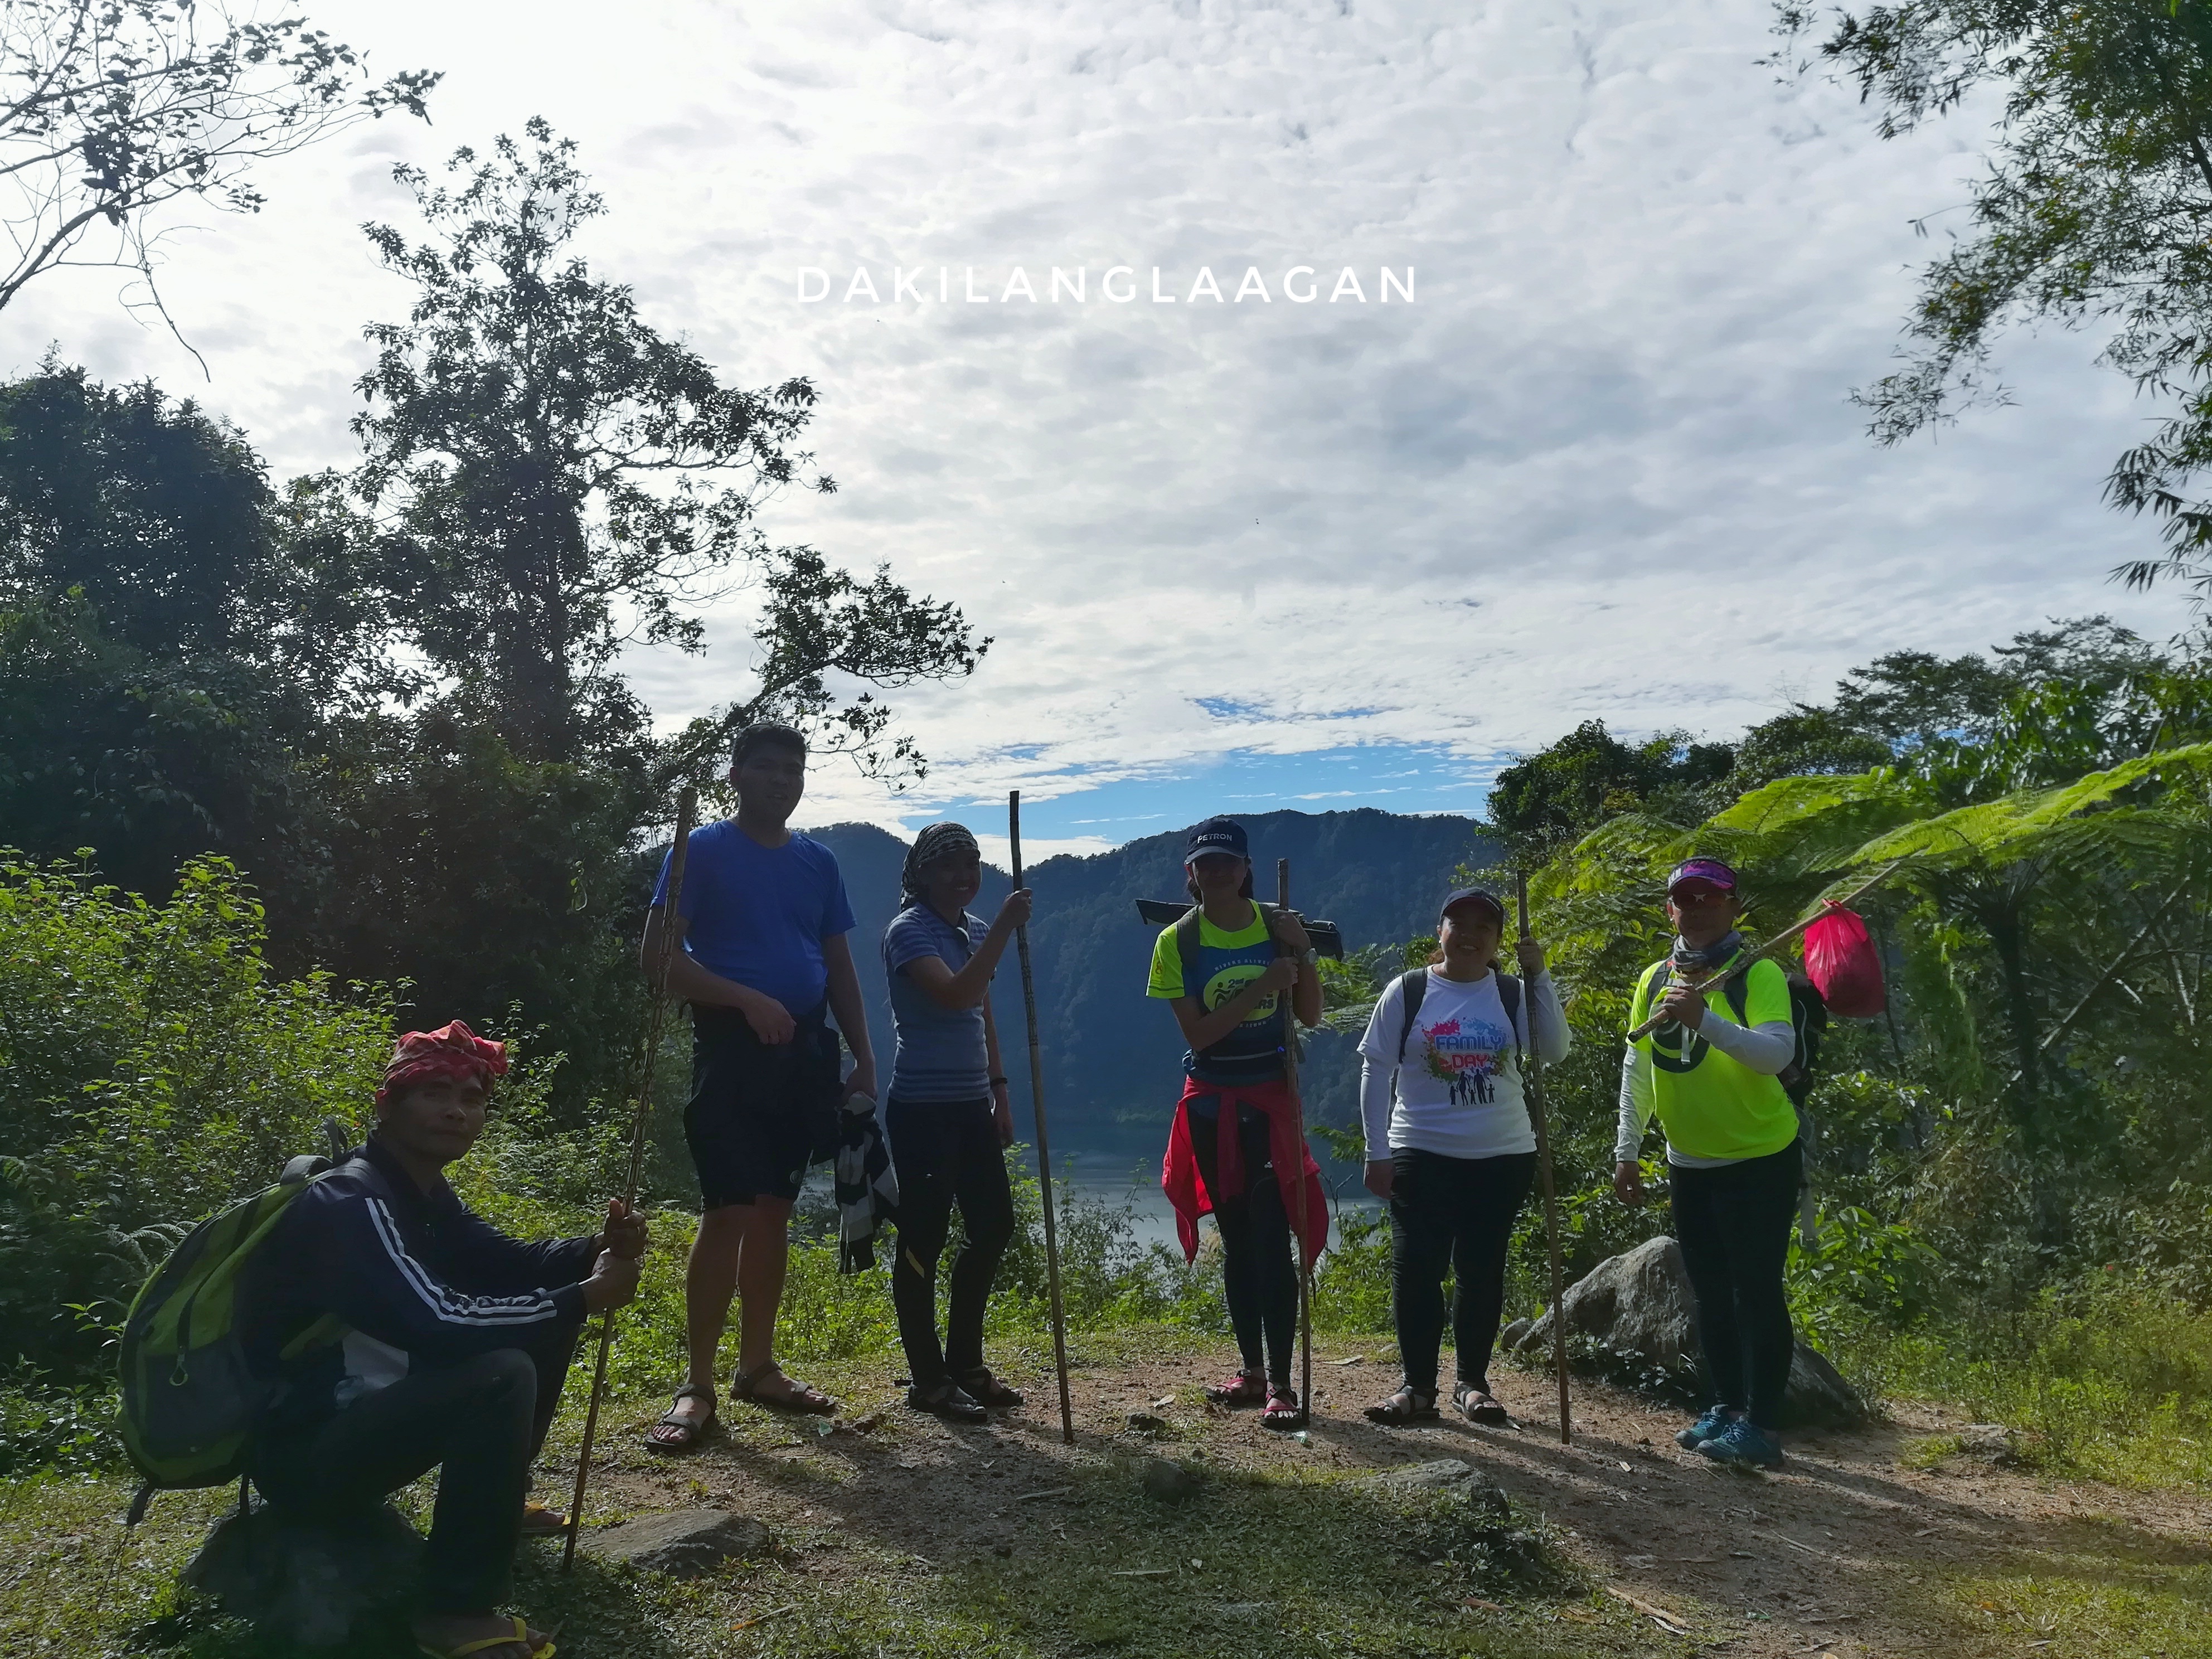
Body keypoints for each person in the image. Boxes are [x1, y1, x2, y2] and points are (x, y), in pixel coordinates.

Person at [242, 1020, 645, 1659]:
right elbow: (440, 1320)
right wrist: (585, 1296)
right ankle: (454, 1613)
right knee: (501, 1369)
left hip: (363, 1417)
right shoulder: (352, 1201)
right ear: (388, 1103)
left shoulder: (419, 1195)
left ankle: (496, 1510)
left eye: (473, 1098)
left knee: (536, 1322)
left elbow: (503, 1262)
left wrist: (591, 1252)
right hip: (303, 1454)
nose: (457, 1111)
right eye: (435, 1094)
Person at [641, 722, 878, 1450]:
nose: (782, 780)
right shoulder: (702, 852)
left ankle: (759, 1368)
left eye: (793, 770)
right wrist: (744, 999)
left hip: (804, 1052)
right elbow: (658, 959)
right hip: (733, 1050)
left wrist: (864, 1060)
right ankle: (697, 1385)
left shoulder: (819, 862)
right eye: (767, 768)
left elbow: (838, 966)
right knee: (728, 1210)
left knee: (773, 1208)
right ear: (737, 775)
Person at [1356, 887, 1570, 1426]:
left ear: (1498, 940)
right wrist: (1376, 1151)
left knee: (1482, 1270)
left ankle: (1472, 1385)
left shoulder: (1511, 993)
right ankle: (1418, 1387)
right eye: (1459, 922)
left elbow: (1552, 1049)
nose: (1470, 934)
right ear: (1440, 930)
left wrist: (1539, 975)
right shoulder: (1407, 992)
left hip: (1502, 1153)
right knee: (1417, 1270)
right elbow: (1376, 1070)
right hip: (1420, 1151)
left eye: (1484, 927)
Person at [1616, 856, 1801, 1468]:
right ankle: (1725, 1406)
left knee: (1756, 1290)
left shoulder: (1757, 973)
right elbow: (1637, 1069)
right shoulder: (1653, 979)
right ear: (1669, 909)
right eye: (1684, 899)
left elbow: (1773, 1054)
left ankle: (1764, 1426)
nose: (1696, 909)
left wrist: (1704, 1018)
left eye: (1709, 898)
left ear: (1733, 907)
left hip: (1758, 1157)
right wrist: (1626, 1151)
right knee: (1710, 1293)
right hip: (1688, 1162)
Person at [1153, 816, 1327, 1429]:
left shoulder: (1278, 930)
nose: (1218, 872)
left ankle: (1280, 1382)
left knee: (1271, 1239)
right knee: (1236, 1239)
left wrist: (1299, 953)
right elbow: (1198, 1033)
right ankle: (1251, 1370)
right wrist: (1261, 986)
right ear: (1191, 873)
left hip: (1266, 1100)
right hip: (1210, 1103)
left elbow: (1308, 1015)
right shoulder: (1178, 942)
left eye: (1228, 862)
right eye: (1206, 864)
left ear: (1245, 868)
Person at [880, 821, 1033, 1421]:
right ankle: (928, 1379)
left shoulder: (968, 930)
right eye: (947, 866)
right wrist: (1001, 928)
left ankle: (965, 1362)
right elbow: (955, 995)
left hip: (970, 1103)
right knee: (923, 1241)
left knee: (993, 1227)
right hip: (921, 1109)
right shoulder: (907, 931)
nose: (962, 876)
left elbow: (982, 1013)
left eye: (970, 864)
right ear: (920, 873)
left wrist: (1000, 1090)